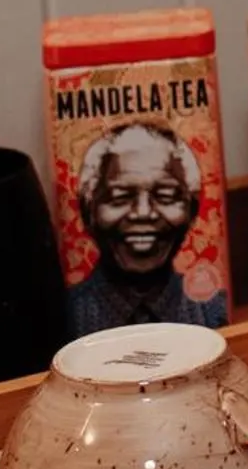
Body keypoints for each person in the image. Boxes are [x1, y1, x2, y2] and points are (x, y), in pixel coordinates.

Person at [67, 122, 226, 334]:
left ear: (191, 212)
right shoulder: (64, 318)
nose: (143, 213)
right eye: (119, 197)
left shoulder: (216, 312)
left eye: (166, 196)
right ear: (89, 213)